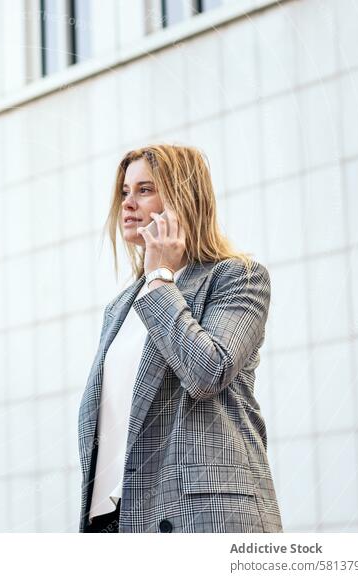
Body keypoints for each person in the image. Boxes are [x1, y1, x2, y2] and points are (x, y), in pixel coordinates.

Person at [77, 144, 282, 533]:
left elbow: (207, 371)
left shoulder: (237, 277)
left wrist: (159, 277)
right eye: (124, 192)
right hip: (120, 521)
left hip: (204, 517)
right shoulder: (120, 307)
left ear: (182, 198)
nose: (127, 203)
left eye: (144, 190)